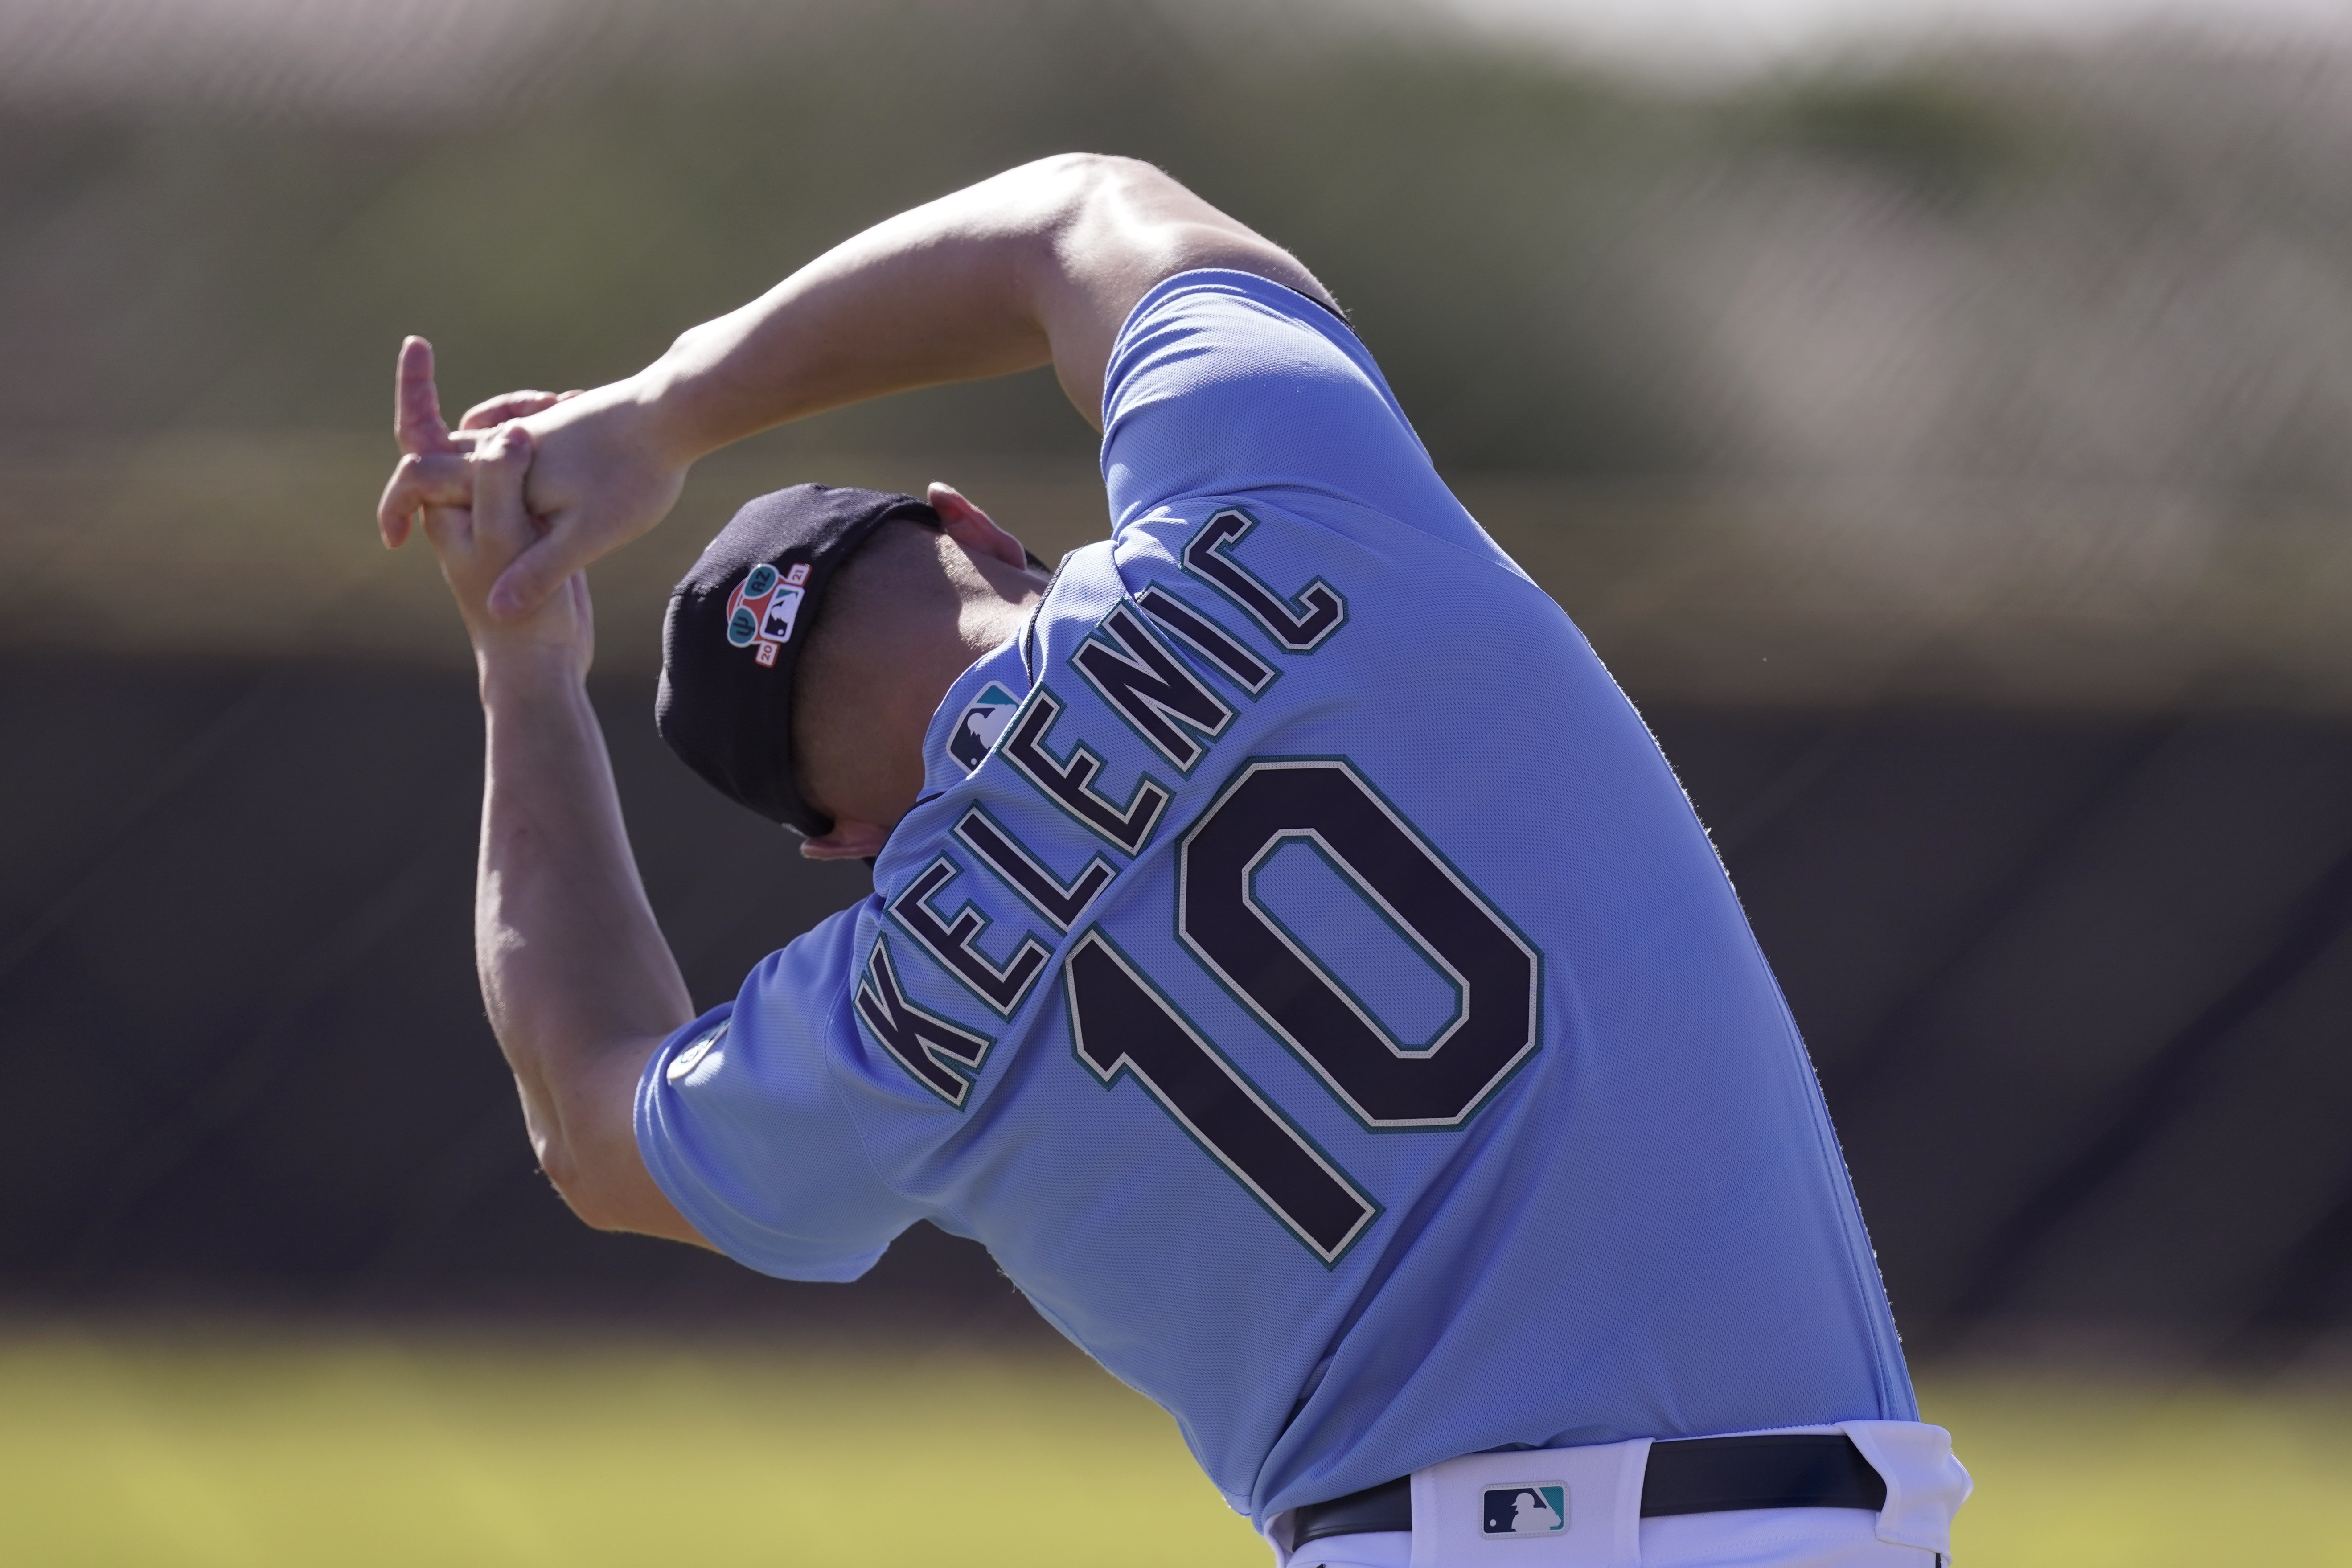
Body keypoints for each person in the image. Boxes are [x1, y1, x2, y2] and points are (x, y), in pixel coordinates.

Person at [378, 154, 1969, 1568]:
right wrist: (664, 410)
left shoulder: (883, 1025)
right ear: (980, 526)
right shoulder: (1279, 499)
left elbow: (591, 1120)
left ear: (841, 840)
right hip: (1786, 1526)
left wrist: (519, 656)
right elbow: (1075, 216)